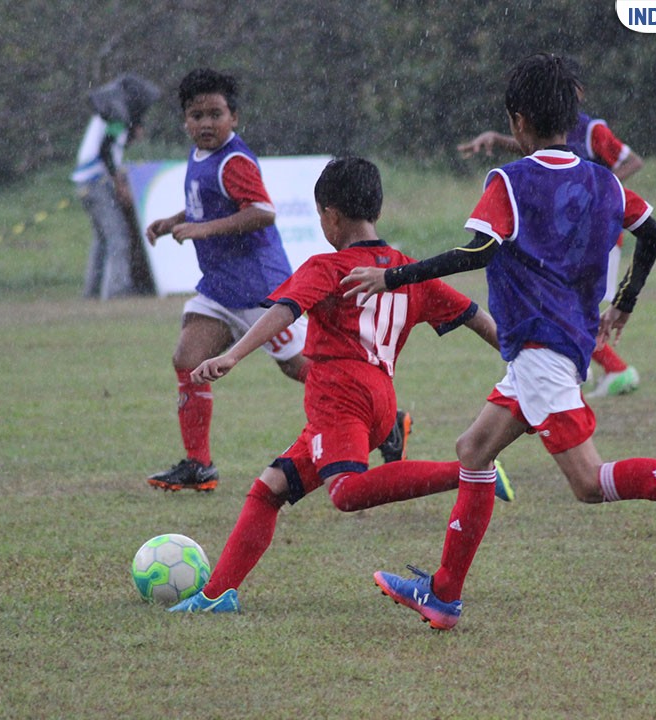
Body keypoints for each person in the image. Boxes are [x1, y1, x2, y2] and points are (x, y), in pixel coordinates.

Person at [345, 53, 656, 631]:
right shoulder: (604, 180)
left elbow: (478, 251)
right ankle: (444, 595)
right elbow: (653, 234)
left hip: (541, 348)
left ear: (518, 121)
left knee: (588, 482)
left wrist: (393, 276)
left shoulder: (509, 180)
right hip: (557, 344)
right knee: (474, 450)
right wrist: (625, 300)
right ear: (569, 116)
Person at [167, 157, 512, 613]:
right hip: (379, 398)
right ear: (377, 210)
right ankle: (217, 595)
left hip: (340, 396)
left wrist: (232, 355)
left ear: (329, 216)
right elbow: (476, 317)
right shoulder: (408, 272)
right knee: (269, 489)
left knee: (346, 492)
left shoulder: (328, 266)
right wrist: (521, 360)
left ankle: (471, 472)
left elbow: (286, 310)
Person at [143, 68, 315, 492]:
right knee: (188, 358)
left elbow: (262, 212)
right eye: (196, 115)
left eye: (215, 114)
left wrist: (200, 230)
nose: (206, 123)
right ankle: (198, 465)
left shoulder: (235, 161)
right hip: (221, 287)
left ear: (233, 117)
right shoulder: (200, 154)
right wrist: (174, 220)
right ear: (185, 119)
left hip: (260, 290)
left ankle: (383, 421)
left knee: (302, 368)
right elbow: (207, 205)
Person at [457, 62, 645, 399]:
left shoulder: (592, 131)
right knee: (562, 307)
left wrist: (598, 193)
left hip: (589, 234)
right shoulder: (546, 130)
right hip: (555, 236)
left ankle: (611, 368)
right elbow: (537, 150)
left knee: (567, 307)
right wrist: (496, 139)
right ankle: (584, 366)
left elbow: (632, 162)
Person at [73, 73, 160, 300]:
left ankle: (93, 292)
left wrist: (130, 136)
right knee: (118, 238)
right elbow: (105, 151)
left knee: (102, 240)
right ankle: (116, 291)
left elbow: (110, 146)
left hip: (86, 181)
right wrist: (119, 183)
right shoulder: (116, 116)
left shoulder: (110, 113)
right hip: (96, 182)